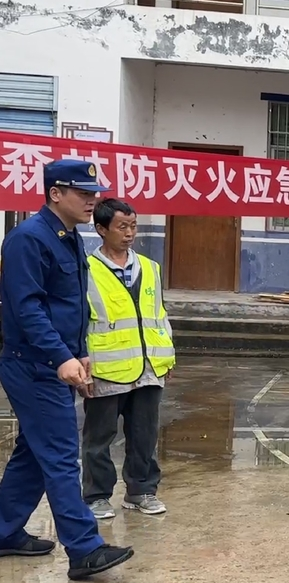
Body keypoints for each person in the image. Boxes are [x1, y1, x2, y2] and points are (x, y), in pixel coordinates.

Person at [0, 159, 134, 580]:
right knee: (60, 456)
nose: (92, 199)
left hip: (54, 361)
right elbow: (28, 309)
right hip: (33, 366)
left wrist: (78, 352)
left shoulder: (69, 238)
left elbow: (69, 305)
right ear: (55, 193)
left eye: (94, 192)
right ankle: (84, 548)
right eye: (82, 192)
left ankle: (3, 531)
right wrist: (61, 357)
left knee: (34, 454)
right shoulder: (28, 240)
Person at [81, 198, 175, 520]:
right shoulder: (86, 270)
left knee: (145, 434)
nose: (130, 233)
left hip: (149, 366)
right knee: (99, 437)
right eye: (122, 226)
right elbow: (80, 321)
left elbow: (160, 317)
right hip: (106, 367)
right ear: (101, 229)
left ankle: (141, 491)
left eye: (133, 226)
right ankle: (96, 496)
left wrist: (167, 358)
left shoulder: (150, 268)